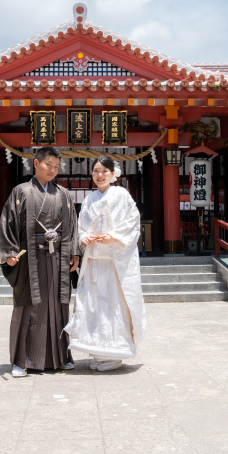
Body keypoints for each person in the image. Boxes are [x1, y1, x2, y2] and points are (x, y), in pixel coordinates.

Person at [0, 147, 81, 377]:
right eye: (48, 164)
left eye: (56, 166)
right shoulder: (21, 192)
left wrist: (74, 253)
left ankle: (60, 357)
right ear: (36, 163)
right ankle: (21, 361)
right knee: (29, 308)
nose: (52, 169)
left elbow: (71, 225)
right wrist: (9, 252)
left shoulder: (64, 194)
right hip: (29, 259)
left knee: (58, 307)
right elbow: (7, 222)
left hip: (58, 259)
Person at [64, 156, 147, 372]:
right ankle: (98, 352)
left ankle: (114, 353)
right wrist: (83, 238)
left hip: (114, 263)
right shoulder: (89, 199)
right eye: (96, 171)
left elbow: (133, 221)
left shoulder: (122, 195)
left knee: (113, 305)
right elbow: (81, 226)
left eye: (104, 171)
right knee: (93, 305)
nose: (99, 175)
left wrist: (115, 237)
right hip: (94, 262)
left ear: (113, 174)